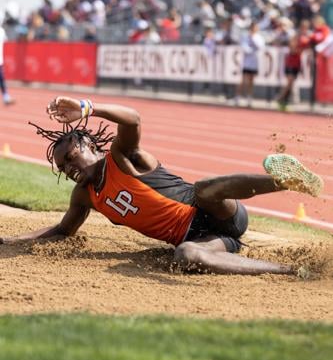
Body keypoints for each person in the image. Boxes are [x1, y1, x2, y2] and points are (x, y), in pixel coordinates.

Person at [0, 96, 324, 276]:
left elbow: (134, 119)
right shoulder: (85, 195)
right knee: (185, 255)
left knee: (204, 189)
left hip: (219, 212)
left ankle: (286, 180)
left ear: (91, 147)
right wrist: (10, 239)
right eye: (63, 167)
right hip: (209, 239)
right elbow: (62, 230)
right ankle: (289, 270)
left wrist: (87, 108)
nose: (70, 168)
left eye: (71, 157)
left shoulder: (121, 157)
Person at [234, 22, 265, 107]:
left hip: (255, 62)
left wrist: (253, 40)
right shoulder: (245, 36)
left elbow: (261, 46)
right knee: (243, 80)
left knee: (251, 81)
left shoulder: (259, 37)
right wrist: (250, 50)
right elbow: (244, 47)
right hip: (247, 61)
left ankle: (249, 99)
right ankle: (237, 97)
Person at [0, 17, 14, 106]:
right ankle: (6, 97)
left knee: (1, 79)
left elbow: (6, 39)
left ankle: (6, 97)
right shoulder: (2, 31)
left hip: (0, 60)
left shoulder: (1, 31)